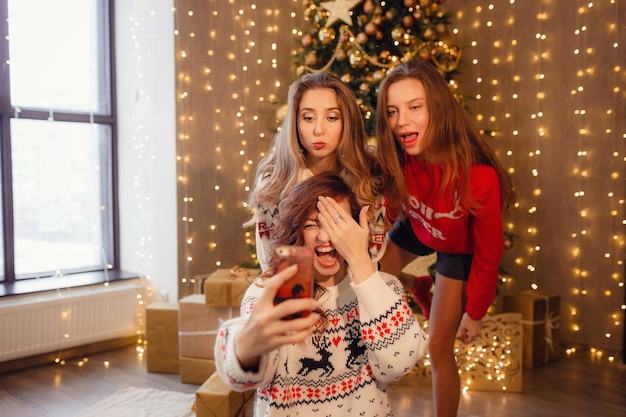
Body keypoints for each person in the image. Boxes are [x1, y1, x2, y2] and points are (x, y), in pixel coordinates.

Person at [215, 172, 427, 417]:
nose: (325, 236)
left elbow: (396, 366)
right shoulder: (273, 290)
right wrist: (245, 348)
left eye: (337, 223)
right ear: (297, 232)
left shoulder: (384, 287)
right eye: (310, 224)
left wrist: (360, 261)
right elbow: (255, 376)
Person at [375, 60, 516, 417]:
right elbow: (389, 207)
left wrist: (476, 311)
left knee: (438, 346)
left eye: (414, 107)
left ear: (438, 107)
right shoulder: (400, 157)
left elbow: (488, 253)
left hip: (458, 248)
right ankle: (416, 285)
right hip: (418, 226)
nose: (401, 121)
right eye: (392, 112)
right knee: (371, 278)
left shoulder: (479, 178)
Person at [245, 71, 389, 273]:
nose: (318, 130)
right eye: (308, 117)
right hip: (295, 289)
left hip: (358, 288)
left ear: (346, 122)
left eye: (331, 117)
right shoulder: (274, 178)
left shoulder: (368, 177)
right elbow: (272, 261)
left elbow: (371, 257)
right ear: (295, 122)